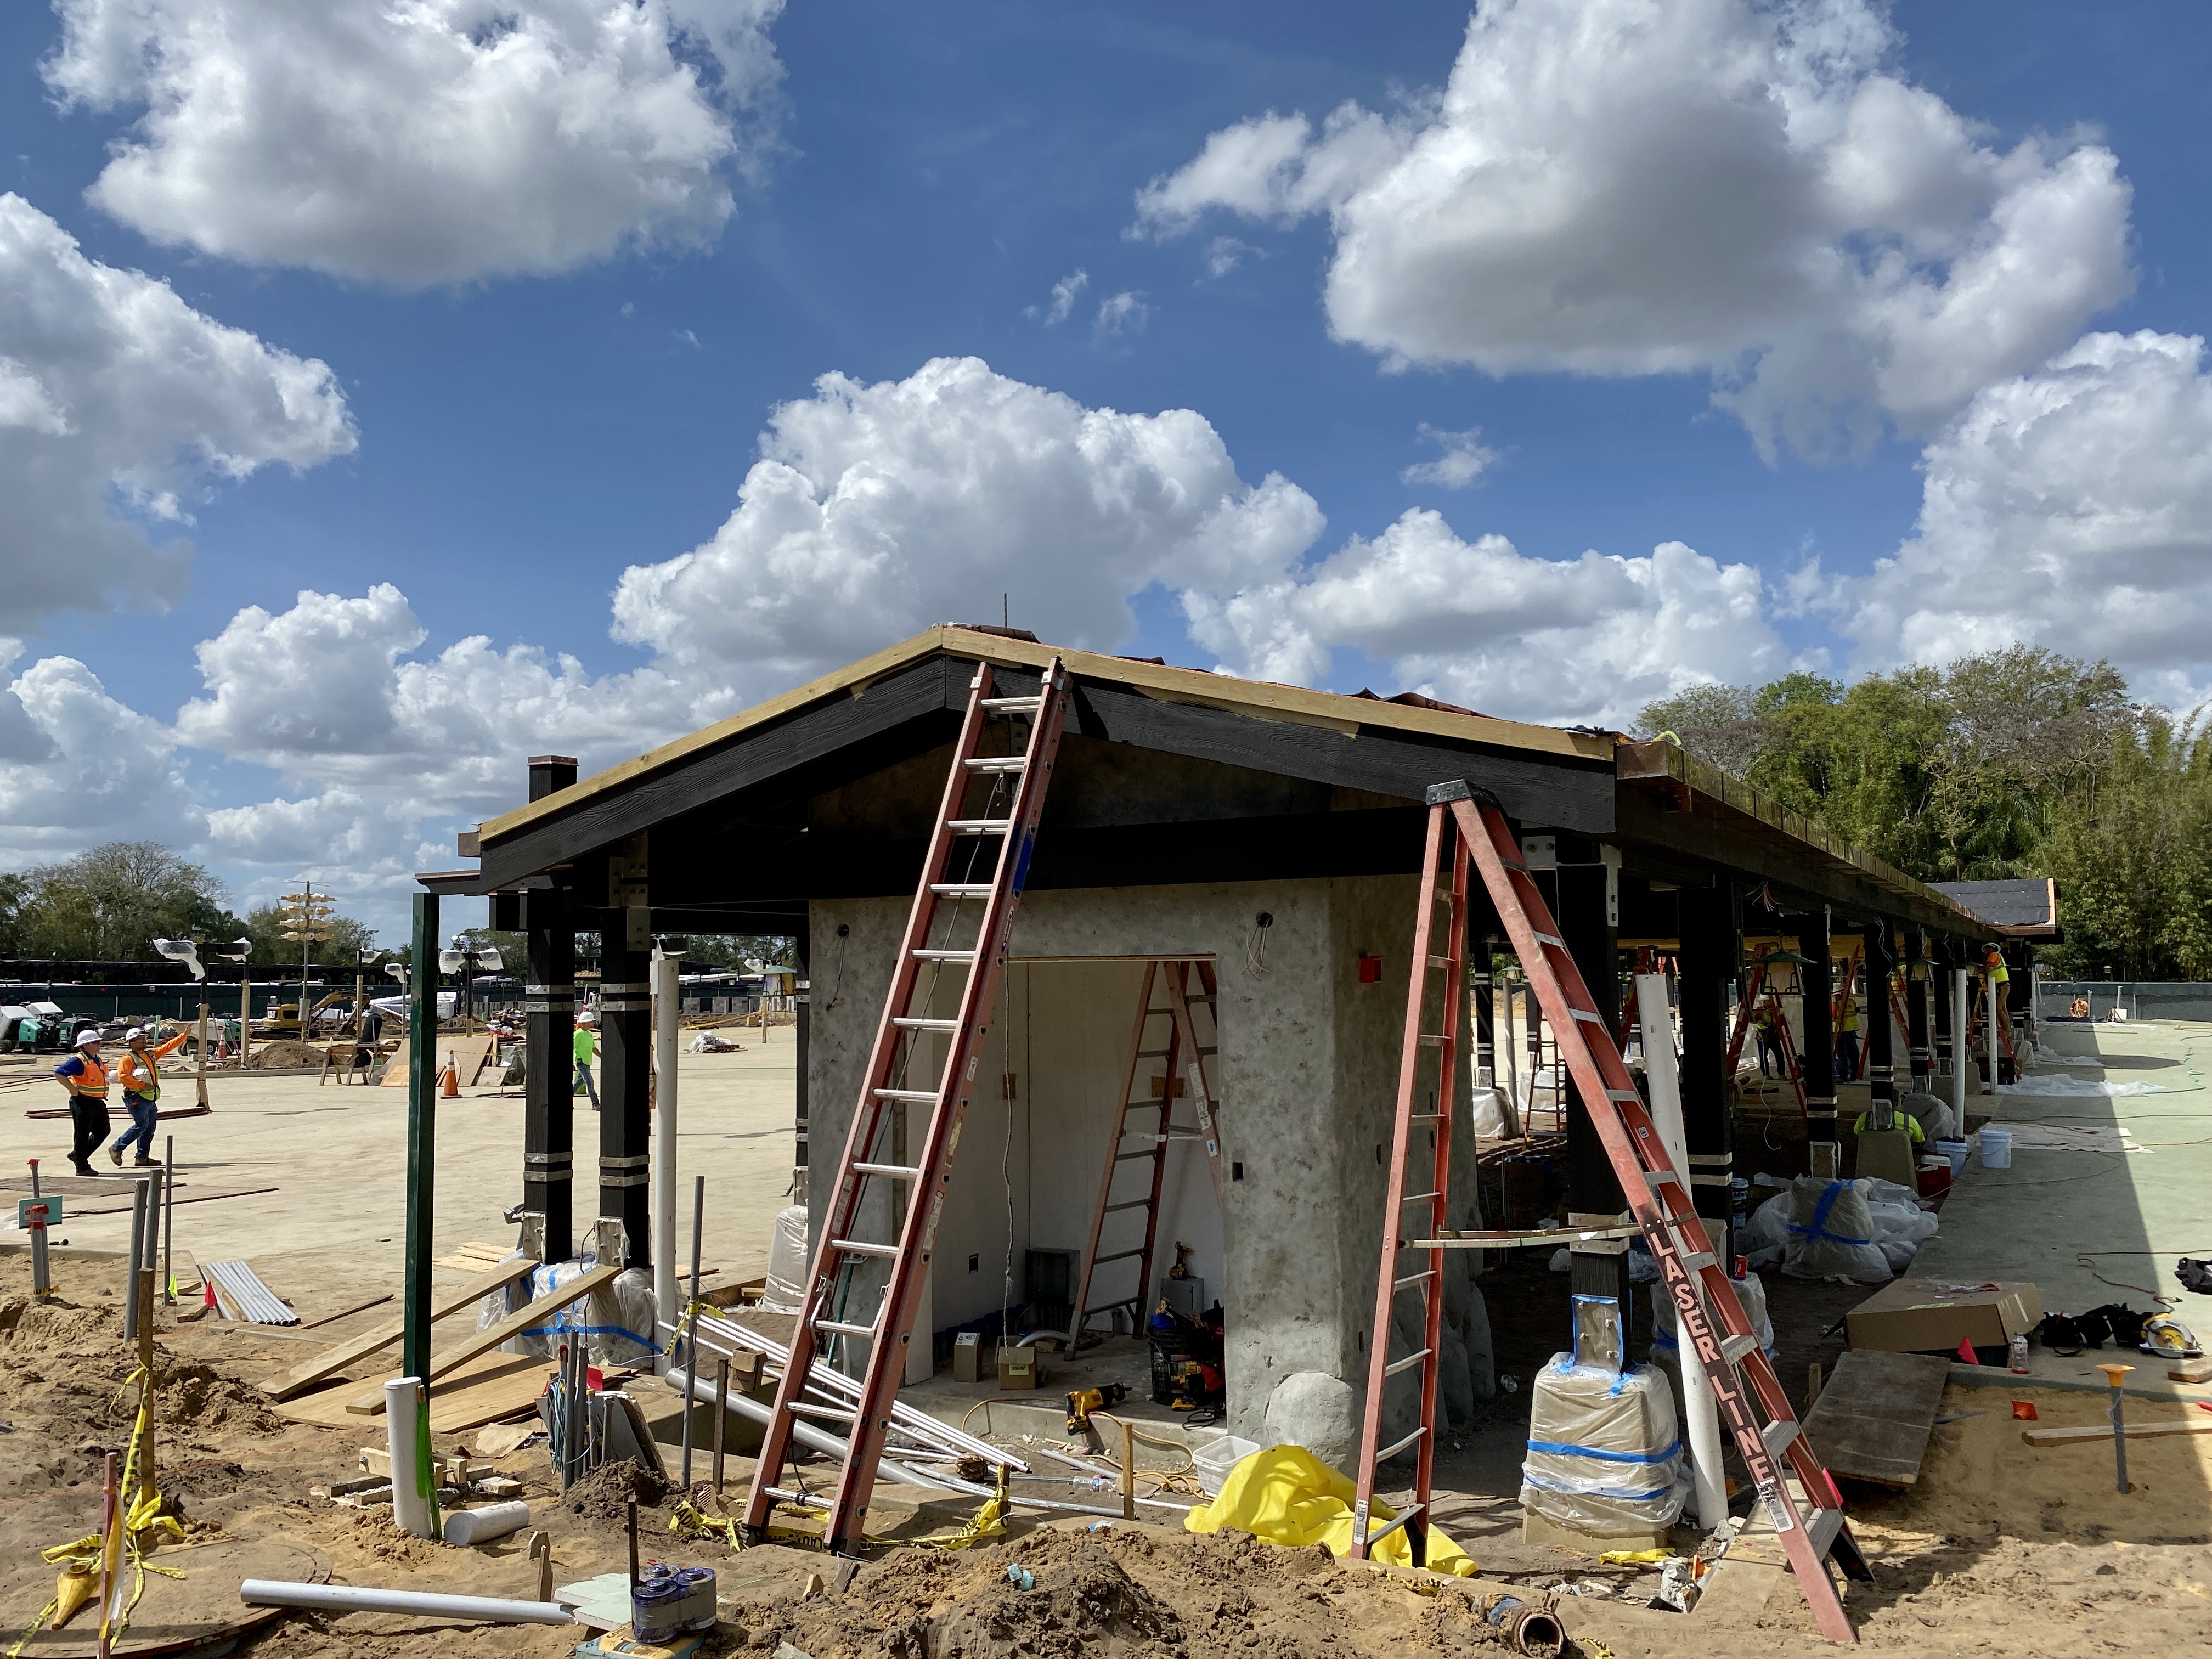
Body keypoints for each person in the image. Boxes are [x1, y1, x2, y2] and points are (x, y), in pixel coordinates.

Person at [110, 1024, 190, 1166]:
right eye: (140, 1039)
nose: (143, 1041)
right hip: (135, 1097)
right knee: (141, 1125)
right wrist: (142, 1085)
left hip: (149, 1098)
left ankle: (142, 1157)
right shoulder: (128, 1059)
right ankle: (117, 1148)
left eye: (144, 1038)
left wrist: (183, 1037)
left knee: (149, 1128)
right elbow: (123, 1077)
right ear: (131, 1042)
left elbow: (166, 1048)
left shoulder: (150, 1055)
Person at [54, 1028, 111, 1177]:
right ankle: (82, 1167)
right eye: (94, 1043)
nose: (98, 1045)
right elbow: (59, 1073)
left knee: (103, 1130)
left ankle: (78, 1155)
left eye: (98, 1042)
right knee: (82, 1134)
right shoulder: (78, 1060)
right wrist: (72, 1090)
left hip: (97, 1101)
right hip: (82, 1102)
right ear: (84, 1046)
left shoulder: (96, 1060)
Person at [1752, 1001, 1786, 1079]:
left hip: (1774, 1036)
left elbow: (1782, 1022)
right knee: (1763, 1056)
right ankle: (1766, 1074)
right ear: (1765, 1002)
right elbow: (1753, 1020)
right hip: (1763, 1037)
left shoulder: (1776, 1010)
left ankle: (1781, 1074)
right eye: (1770, 1001)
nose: (1772, 1003)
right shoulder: (1760, 1010)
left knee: (1780, 1055)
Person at [574, 1009, 600, 1109]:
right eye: (590, 1022)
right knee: (590, 1082)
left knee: (578, 1084)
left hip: (587, 1062)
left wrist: (602, 1056)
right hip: (581, 1062)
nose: (592, 1023)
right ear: (583, 1023)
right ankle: (596, 1104)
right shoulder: (578, 1034)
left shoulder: (589, 1034)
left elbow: (594, 1048)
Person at [1835, 994, 1861, 1081]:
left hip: (1841, 1033)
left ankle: (1843, 1077)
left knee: (1842, 1055)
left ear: (1837, 995)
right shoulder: (1852, 1002)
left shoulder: (1835, 1005)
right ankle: (1854, 1076)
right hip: (1852, 1032)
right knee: (1854, 1055)